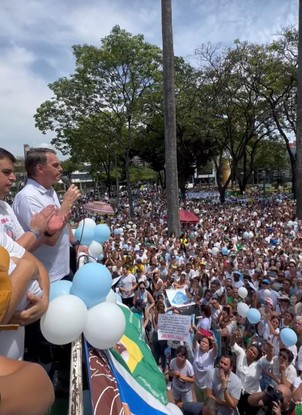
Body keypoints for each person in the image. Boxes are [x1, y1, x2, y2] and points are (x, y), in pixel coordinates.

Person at [193, 333, 217, 402]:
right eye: (202, 341)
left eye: (206, 342)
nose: (203, 343)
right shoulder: (197, 349)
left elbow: (216, 349)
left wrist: (214, 341)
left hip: (207, 387)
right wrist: (197, 334)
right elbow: (194, 340)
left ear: (209, 346)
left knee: (207, 406)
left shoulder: (211, 354)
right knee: (199, 404)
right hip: (197, 384)